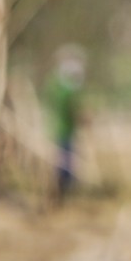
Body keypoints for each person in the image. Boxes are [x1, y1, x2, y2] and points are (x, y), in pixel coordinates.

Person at [43, 46, 86, 202]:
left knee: (64, 161)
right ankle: (60, 191)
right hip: (61, 131)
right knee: (63, 163)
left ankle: (62, 190)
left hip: (62, 130)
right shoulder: (62, 88)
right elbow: (70, 109)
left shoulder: (58, 85)